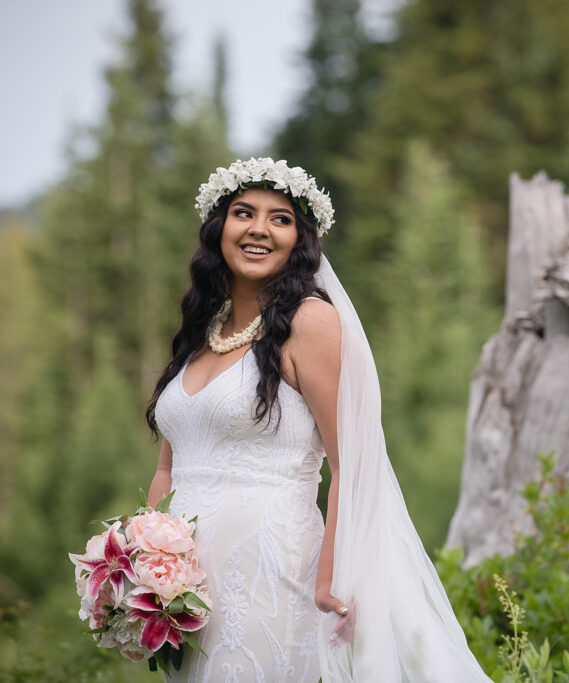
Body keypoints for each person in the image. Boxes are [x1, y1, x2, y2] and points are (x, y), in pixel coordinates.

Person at [145, 157, 493, 682]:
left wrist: (331, 573)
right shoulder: (201, 330)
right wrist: (141, 564)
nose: (259, 229)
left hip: (270, 568)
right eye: (244, 213)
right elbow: (169, 470)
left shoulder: (309, 323)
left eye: (280, 218)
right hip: (183, 586)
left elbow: (352, 464)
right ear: (220, 227)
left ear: (299, 240)